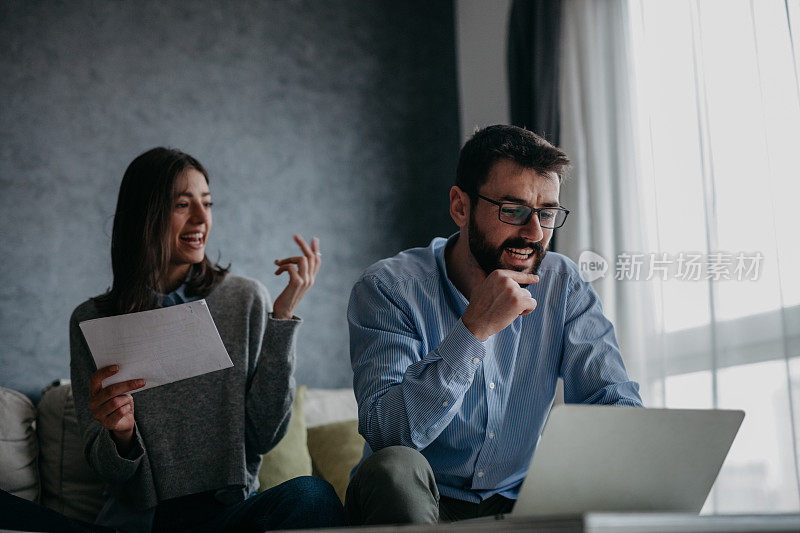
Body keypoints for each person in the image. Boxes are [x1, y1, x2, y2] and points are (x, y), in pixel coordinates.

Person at [345, 125, 644, 525]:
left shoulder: (563, 283)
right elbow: (387, 433)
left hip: (521, 502)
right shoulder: (389, 288)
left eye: (547, 213)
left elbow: (609, 399)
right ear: (460, 207)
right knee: (394, 465)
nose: (535, 233)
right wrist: (472, 331)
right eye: (513, 210)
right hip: (421, 500)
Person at [69, 148, 346, 532]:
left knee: (313, 497)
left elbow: (263, 435)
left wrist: (281, 320)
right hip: (140, 524)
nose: (202, 219)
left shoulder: (244, 299)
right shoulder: (91, 320)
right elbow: (109, 474)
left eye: (207, 203)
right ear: (144, 216)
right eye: (183, 204)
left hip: (226, 518)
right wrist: (121, 435)